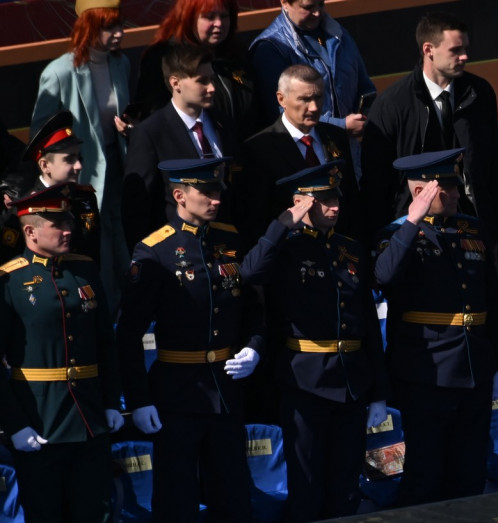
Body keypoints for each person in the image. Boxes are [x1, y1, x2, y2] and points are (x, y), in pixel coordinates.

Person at [116, 157, 263, 522]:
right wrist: (139, 399)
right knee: (177, 497)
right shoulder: (155, 251)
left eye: (218, 191)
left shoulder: (229, 238)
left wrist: (254, 347)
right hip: (177, 393)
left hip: (226, 389)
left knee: (232, 493)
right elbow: (128, 332)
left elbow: (253, 307)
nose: (216, 199)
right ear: (180, 195)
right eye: (206, 192)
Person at [240, 160, 389, 522]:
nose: (335, 206)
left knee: (346, 485)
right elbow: (249, 272)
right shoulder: (285, 246)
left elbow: (367, 321)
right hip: (305, 382)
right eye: (323, 200)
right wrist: (281, 225)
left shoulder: (350, 248)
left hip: (351, 380)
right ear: (302, 202)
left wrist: (380, 391)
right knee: (306, 487)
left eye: (336, 197)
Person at [374, 149, 498, 506]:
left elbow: (492, 301)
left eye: (455, 185)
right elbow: (384, 276)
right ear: (421, 193)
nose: (457, 194)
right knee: (426, 474)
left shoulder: (472, 228)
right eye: (446, 188)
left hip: (473, 365)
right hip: (426, 372)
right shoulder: (396, 234)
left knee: (470, 472)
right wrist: (411, 222)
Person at [0, 183, 123, 521]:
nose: (69, 230)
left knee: (96, 511)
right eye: (58, 224)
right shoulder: (9, 281)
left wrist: (112, 400)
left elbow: (104, 344)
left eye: (69, 221)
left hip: (89, 418)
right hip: (41, 423)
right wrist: (15, 425)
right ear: (30, 231)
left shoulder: (84, 269)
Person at [362, 12, 498, 245]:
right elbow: (377, 185)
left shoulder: (480, 94)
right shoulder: (392, 105)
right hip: (415, 235)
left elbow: (494, 169)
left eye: (465, 49)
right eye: (455, 50)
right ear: (429, 50)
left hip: (474, 229)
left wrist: (496, 230)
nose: (464, 57)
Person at [31, 0, 131, 309]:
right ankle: (99, 305)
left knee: (120, 235)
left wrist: (128, 127)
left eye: (119, 25)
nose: (118, 33)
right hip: (80, 172)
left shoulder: (121, 63)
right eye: (108, 27)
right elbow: (40, 134)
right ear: (89, 28)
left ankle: (125, 304)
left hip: (118, 163)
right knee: (93, 240)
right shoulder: (60, 72)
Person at [123, 43, 239, 253]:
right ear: (176, 83)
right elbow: (137, 207)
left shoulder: (223, 123)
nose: (212, 88)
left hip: (224, 248)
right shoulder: (151, 132)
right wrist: (146, 259)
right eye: (202, 81)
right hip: (177, 252)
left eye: (211, 79)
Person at [236, 64, 361, 248]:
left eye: (318, 97)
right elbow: (256, 217)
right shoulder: (259, 148)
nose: (314, 107)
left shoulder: (336, 136)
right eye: (304, 99)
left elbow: (351, 200)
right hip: (289, 254)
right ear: (281, 99)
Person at [249, 0, 374, 177]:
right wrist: (341, 126)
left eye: (320, 5)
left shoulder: (339, 35)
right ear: (285, 3)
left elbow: (365, 87)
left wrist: (364, 116)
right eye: (308, 7)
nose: (317, 13)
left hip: (351, 154)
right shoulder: (270, 48)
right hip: (305, 156)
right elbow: (280, 114)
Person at [133, 0, 259, 141]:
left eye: (224, 16)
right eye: (209, 17)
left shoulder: (236, 53)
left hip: (243, 153)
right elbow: (153, 116)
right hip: (195, 155)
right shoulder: (165, 57)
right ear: (190, 18)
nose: (218, 23)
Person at [22, 111, 102, 264]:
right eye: (69, 160)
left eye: (79, 158)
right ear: (45, 166)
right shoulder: (28, 205)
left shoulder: (85, 197)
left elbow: (93, 253)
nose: (78, 166)